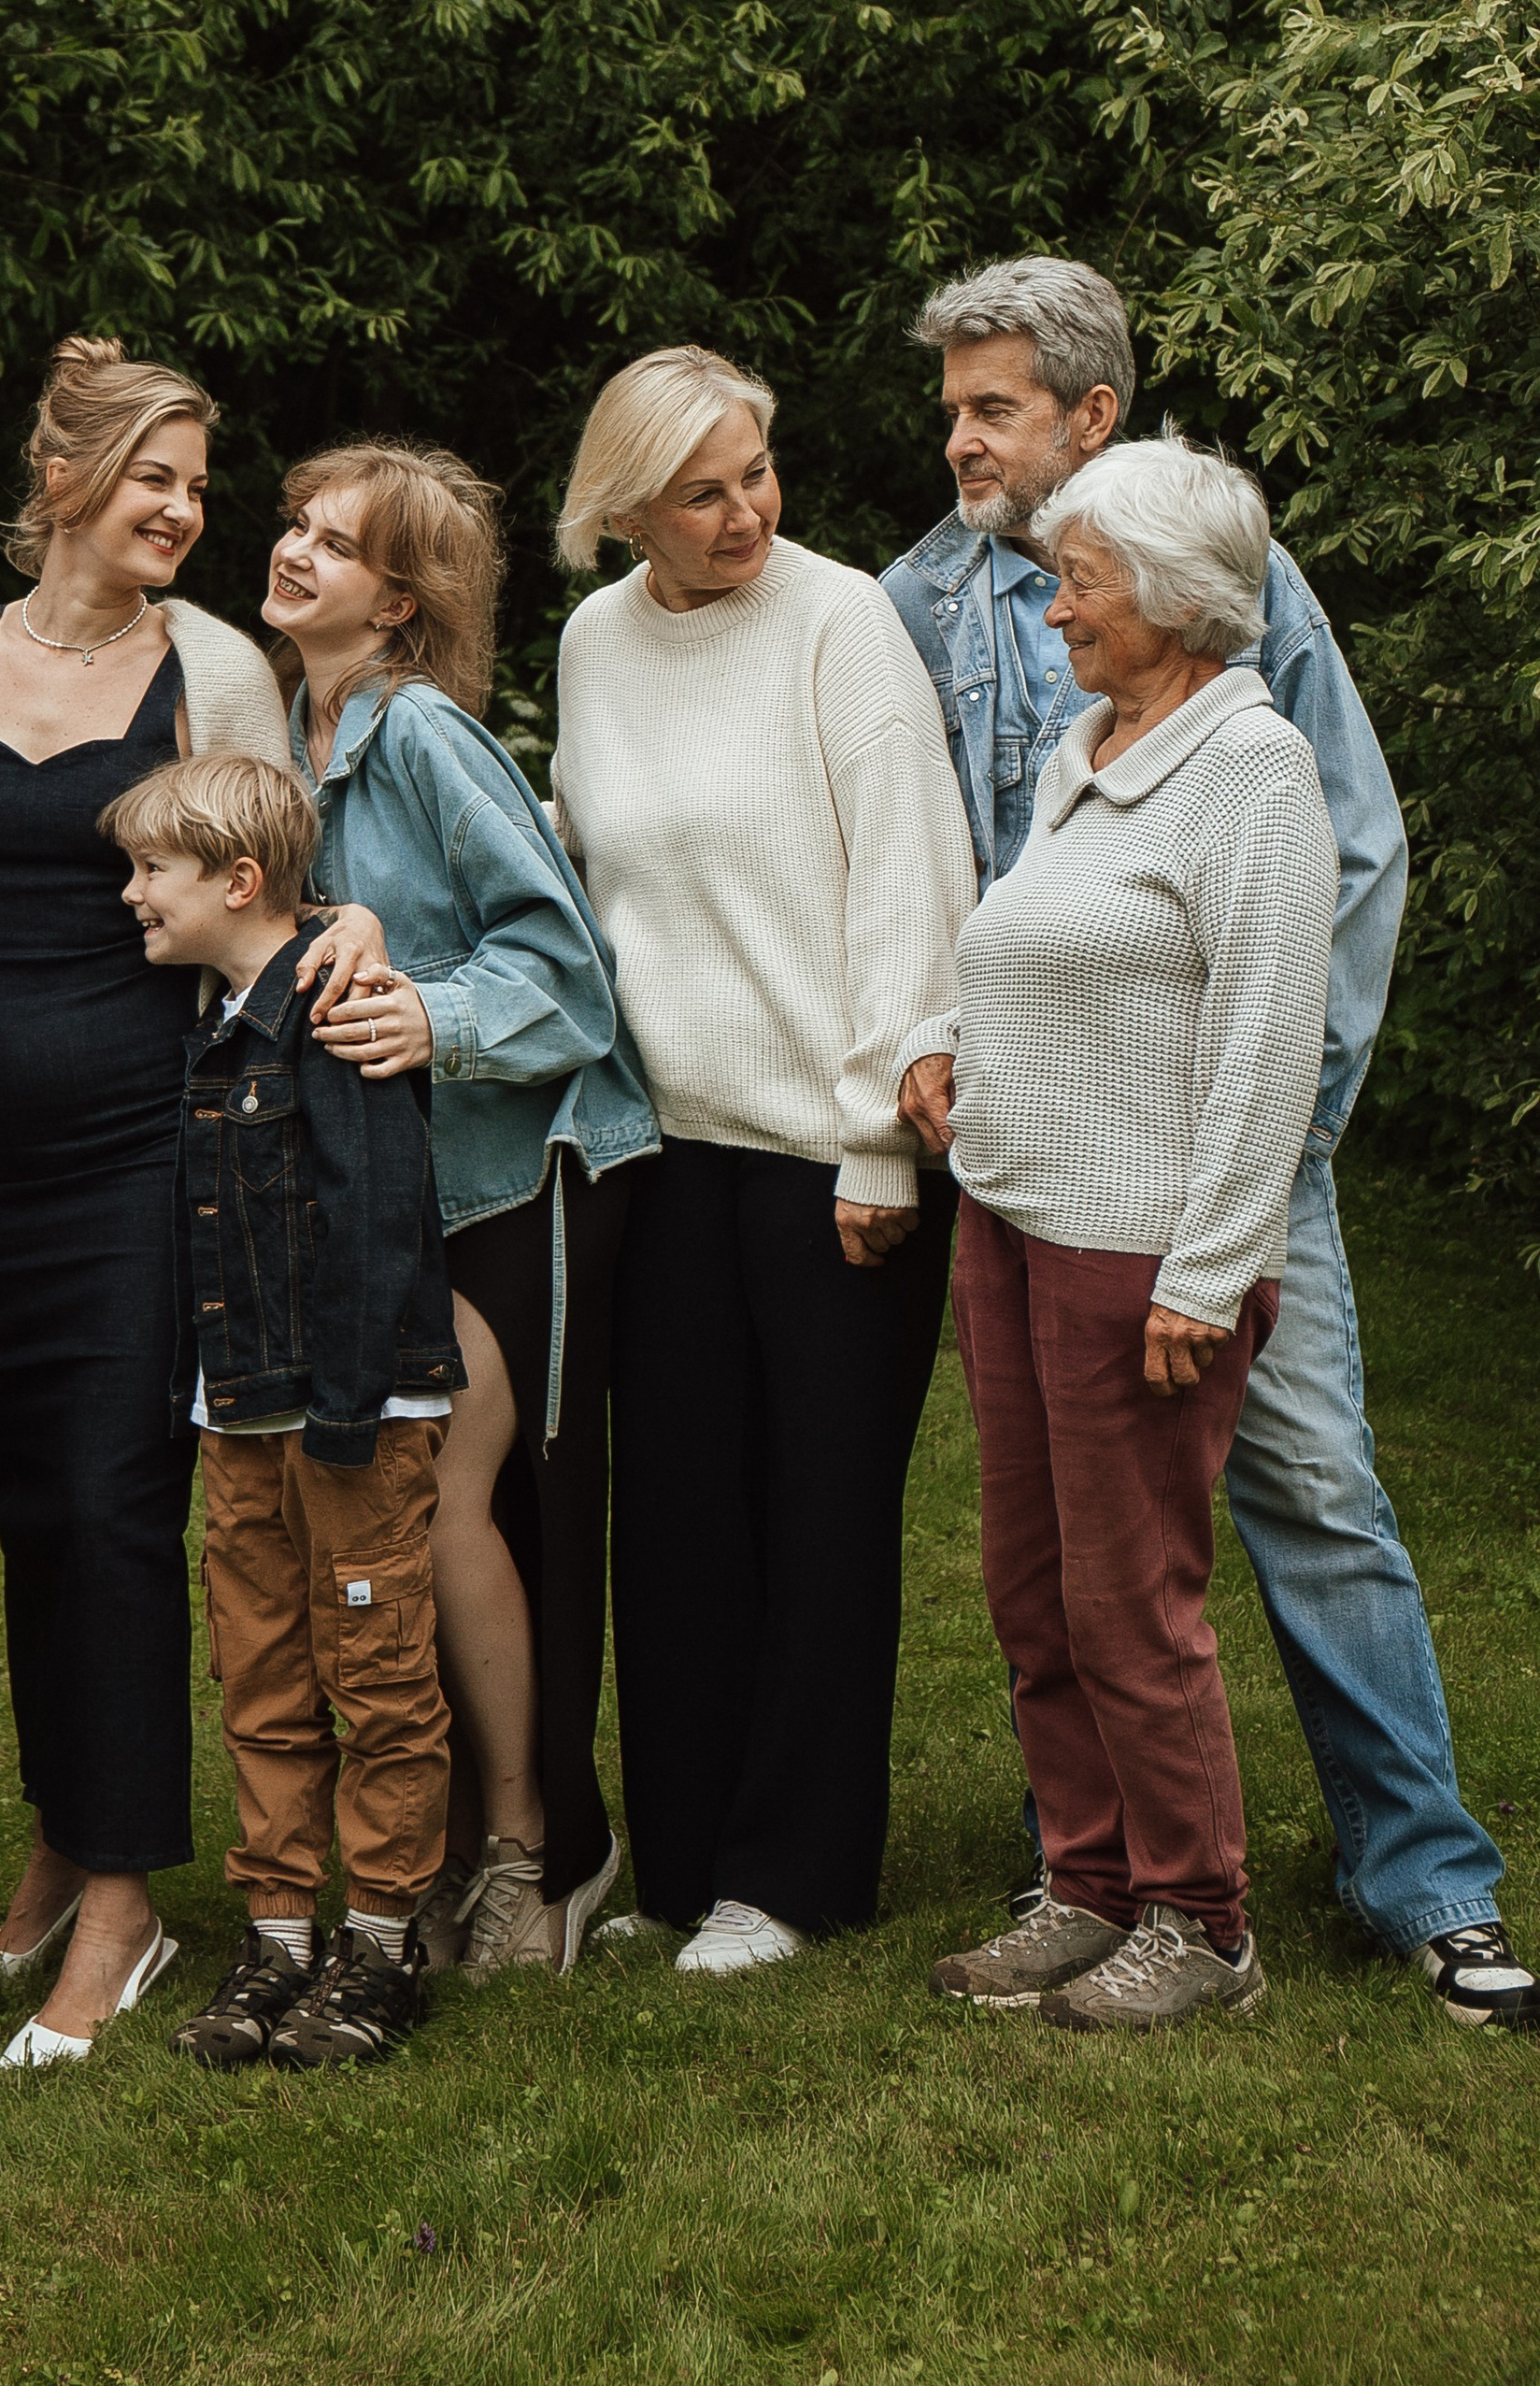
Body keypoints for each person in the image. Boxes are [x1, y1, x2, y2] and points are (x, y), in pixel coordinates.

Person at [885, 255, 1534, 2028]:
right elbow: (969, 884)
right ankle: (1087, 1882)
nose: (958, 440)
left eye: (992, 406)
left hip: (1215, 1168)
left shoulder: (1224, 588)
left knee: (1307, 1495)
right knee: (1053, 1559)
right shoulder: (935, 603)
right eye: (950, 405)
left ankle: (1425, 1884)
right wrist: (945, 1044)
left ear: (1094, 420)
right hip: (1031, 1171)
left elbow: (1336, 881)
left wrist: (1250, 1186)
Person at [0, 338, 388, 2056]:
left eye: (199, 484)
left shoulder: (213, 673)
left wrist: (364, 949)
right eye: (157, 478)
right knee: (26, 1504)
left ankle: (126, 1907)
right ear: (63, 482)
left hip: (147, 1149)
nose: (188, 511)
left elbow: (286, 877)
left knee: (119, 1506)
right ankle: (64, 1837)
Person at [551, 348, 973, 1973]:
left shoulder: (843, 618)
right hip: (664, 1144)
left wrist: (880, 1141)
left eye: (757, 474)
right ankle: (684, 1858)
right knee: (673, 1514)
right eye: (702, 491)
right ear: (629, 507)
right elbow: (605, 866)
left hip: (829, 1150)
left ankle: (789, 1878)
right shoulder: (595, 641)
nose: (746, 512)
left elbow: (910, 879)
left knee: (820, 1515)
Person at [913, 440, 1335, 2027]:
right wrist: (945, 1035)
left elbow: (1265, 1031)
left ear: (1171, 597)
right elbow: (1041, 946)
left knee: (1130, 1596)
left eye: (1077, 579)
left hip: (1140, 1252)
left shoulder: (1251, 767)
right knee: (1032, 1584)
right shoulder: (1087, 749)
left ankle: (1201, 1925)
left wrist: (1211, 1271)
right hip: (1016, 1223)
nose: (1053, 608)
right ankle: (1085, 1888)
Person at [264, 440, 657, 1979]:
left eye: (336, 543)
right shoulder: (287, 730)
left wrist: (430, 1014)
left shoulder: (424, 734)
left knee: (465, 1514)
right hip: (371, 1189)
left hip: (512, 1172)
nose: (296, 551)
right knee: (397, 1515)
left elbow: (563, 970)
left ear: (402, 602)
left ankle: (539, 1854)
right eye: (295, 525)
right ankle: (430, 1848)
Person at [101, 753, 464, 2072]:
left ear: (238, 881)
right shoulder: (215, 1021)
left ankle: (379, 1943)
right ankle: (278, 1944)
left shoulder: (331, 1014)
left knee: (375, 1678)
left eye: (153, 871)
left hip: (344, 1415)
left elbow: (379, 1220)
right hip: (240, 1416)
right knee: (259, 1677)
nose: (131, 895)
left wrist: (350, 1410)